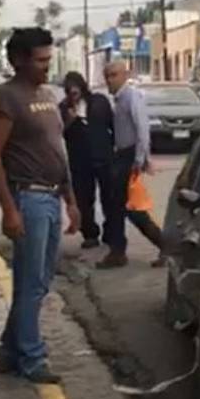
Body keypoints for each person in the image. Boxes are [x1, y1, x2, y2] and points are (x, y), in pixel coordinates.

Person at [0, 28, 80, 384]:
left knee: (39, 282)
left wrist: (71, 199)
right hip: (28, 199)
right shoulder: (6, 99)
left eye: (48, 60)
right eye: (40, 61)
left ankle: (10, 352)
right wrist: (9, 208)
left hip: (52, 197)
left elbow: (58, 149)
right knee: (29, 283)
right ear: (18, 60)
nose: (46, 67)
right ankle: (31, 357)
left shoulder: (47, 95)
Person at [99, 59, 164, 268]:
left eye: (114, 75)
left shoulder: (131, 96)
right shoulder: (118, 100)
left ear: (125, 75)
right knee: (117, 206)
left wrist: (141, 160)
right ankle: (117, 252)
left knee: (132, 208)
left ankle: (167, 247)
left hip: (129, 158)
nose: (110, 80)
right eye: (107, 76)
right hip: (121, 156)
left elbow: (142, 130)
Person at [58, 72, 114, 250]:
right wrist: (70, 120)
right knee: (83, 198)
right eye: (70, 88)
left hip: (103, 156)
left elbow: (112, 124)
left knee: (109, 197)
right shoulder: (63, 108)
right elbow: (58, 132)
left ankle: (111, 232)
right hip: (79, 160)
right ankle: (90, 234)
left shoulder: (98, 101)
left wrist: (114, 148)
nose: (74, 91)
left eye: (76, 87)